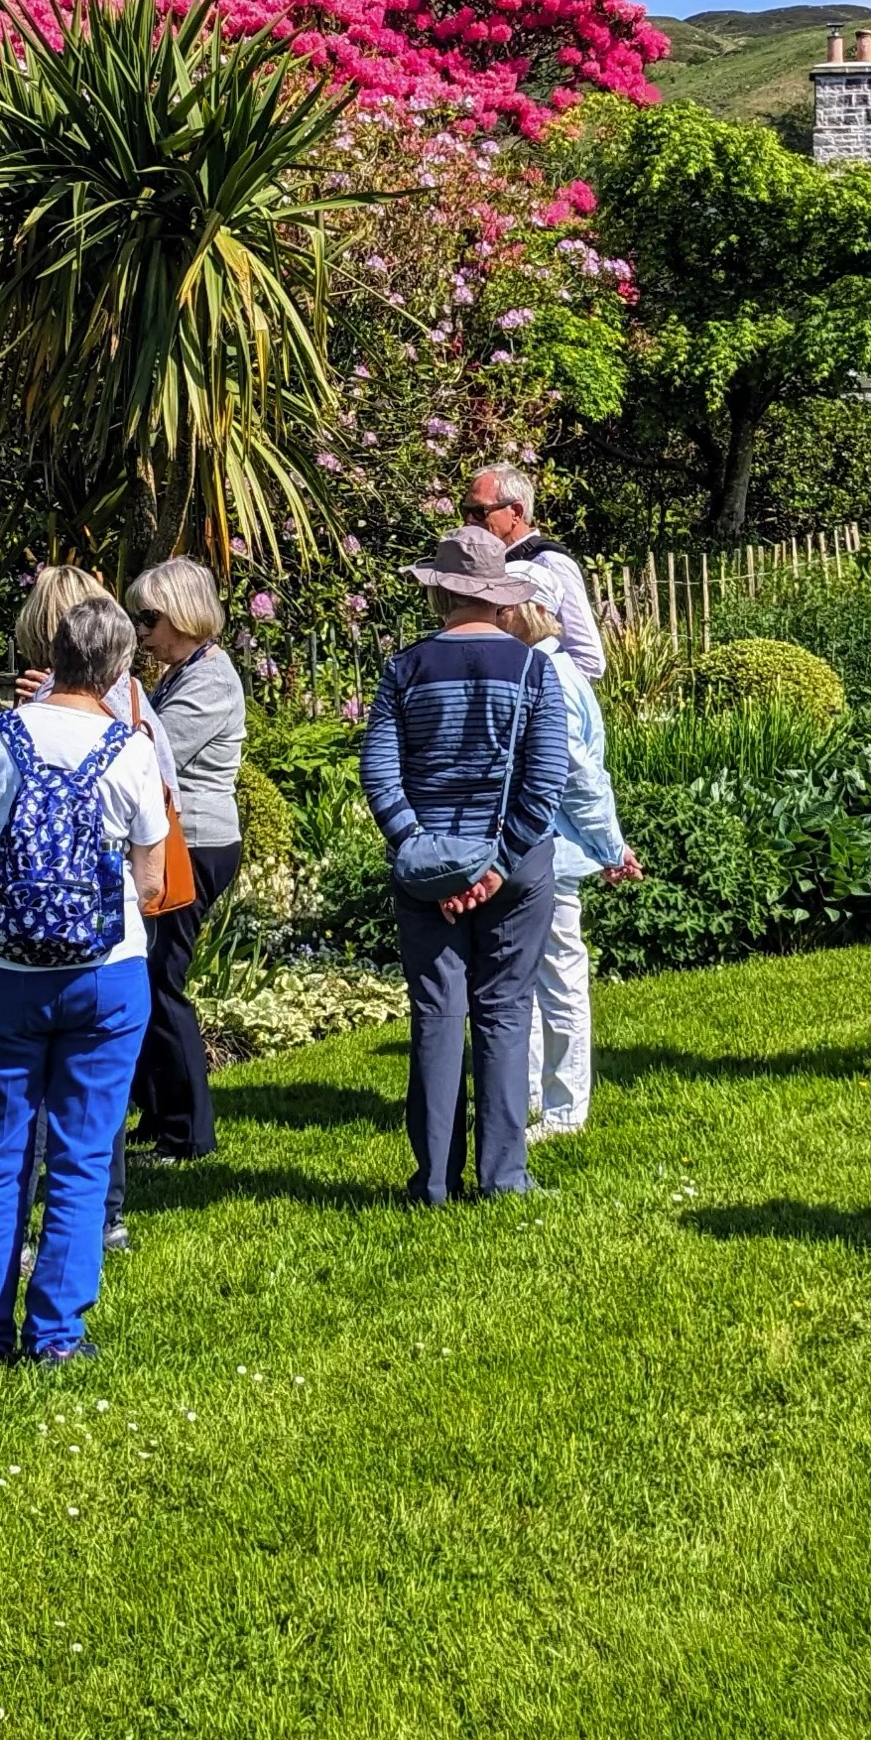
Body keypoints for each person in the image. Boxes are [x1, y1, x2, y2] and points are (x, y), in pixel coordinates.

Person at [0, 591, 177, 1364]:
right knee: (81, 1155)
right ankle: (56, 1337)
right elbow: (150, 884)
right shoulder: (132, 748)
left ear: (54, 652)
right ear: (119, 669)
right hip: (104, 977)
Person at [360, 524, 573, 1200]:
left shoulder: (404, 670)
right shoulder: (533, 668)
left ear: (441, 594)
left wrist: (422, 851)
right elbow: (545, 781)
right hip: (516, 868)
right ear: (500, 598)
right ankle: (504, 1177)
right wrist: (495, 866)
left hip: (428, 870)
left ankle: (434, 1182)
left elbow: (380, 773)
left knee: (437, 1014)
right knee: (506, 1010)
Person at [495, 588, 634, 1135]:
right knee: (523, 979)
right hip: (534, 849)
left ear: (523, 611)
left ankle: (563, 1110)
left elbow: (578, 776)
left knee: (556, 979)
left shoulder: (552, 676)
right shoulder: (538, 671)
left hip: (553, 850)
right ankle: (530, 1096)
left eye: (501, 608)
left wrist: (609, 845)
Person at [123, 555, 247, 1167]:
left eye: (150, 617)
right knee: (145, 978)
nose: (142, 630)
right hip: (178, 840)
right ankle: (158, 1115)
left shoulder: (212, 680)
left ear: (182, 613)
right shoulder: (183, 672)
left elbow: (151, 751)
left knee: (161, 982)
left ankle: (189, 1134)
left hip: (195, 843)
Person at [462, 464, 605, 680]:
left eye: (480, 511)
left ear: (516, 513)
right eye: (465, 511)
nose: (469, 521)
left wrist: (532, 695)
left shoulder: (549, 561)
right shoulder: (484, 564)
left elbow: (588, 659)